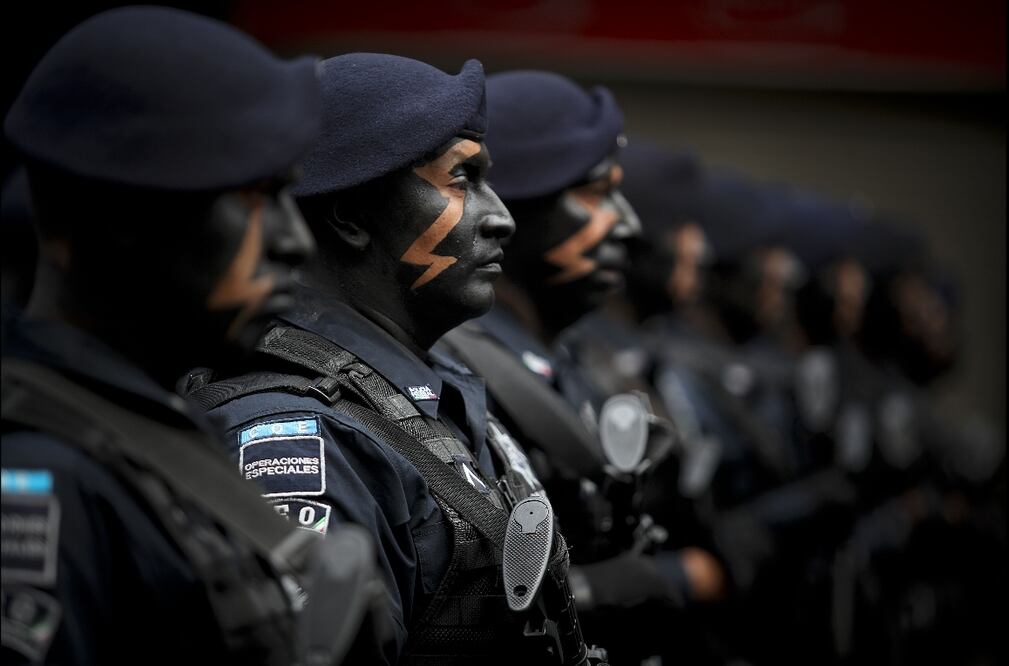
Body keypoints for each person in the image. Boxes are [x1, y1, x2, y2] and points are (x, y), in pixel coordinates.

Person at [0, 6, 396, 666]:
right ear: (112, 216)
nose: (294, 241)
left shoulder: (155, 430)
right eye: (252, 197)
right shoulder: (41, 481)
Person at [184, 53, 600, 665]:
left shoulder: (437, 390)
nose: (500, 217)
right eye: (462, 180)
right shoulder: (308, 440)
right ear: (351, 216)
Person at [437, 72, 729, 665]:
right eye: (595, 195)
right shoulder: (457, 368)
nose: (628, 224)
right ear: (515, 201)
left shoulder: (567, 359)